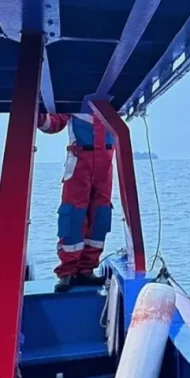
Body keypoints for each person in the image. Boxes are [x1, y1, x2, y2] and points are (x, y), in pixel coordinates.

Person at [38, 113, 114, 292]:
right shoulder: (72, 101)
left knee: (101, 216)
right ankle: (67, 272)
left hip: (105, 163)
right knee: (73, 215)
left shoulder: (111, 103)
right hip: (79, 161)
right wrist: (38, 115)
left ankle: (87, 269)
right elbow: (53, 124)